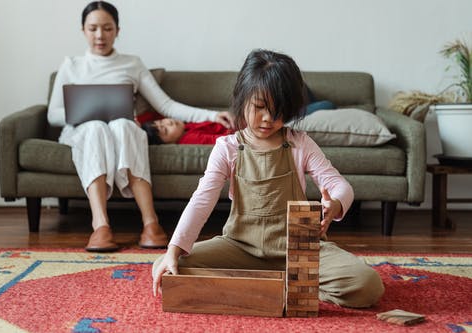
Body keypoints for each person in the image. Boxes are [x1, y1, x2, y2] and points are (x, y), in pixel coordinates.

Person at [152, 49, 385, 308]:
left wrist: (337, 204)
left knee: (367, 285)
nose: (268, 119)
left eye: (279, 111)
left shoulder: (300, 143)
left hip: (299, 249)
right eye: (260, 107)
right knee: (165, 266)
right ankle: (288, 285)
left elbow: (339, 185)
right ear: (243, 98)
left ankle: (268, 285)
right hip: (239, 247)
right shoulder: (227, 147)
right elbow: (201, 200)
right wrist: (174, 250)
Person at [47, 1, 235, 252]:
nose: (100, 35)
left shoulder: (132, 63)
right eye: (93, 29)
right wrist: (87, 115)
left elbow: (166, 105)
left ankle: (150, 223)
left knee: (125, 125)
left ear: (117, 30)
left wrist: (212, 116)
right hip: (83, 131)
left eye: (107, 28)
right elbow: (53, 114)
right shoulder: (71, 65)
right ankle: (100, 225)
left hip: (120, 130)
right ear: (83, 30)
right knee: (96, 128)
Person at [139, 117, 234, 145]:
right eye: (165, 130)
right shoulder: (189, 139)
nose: (169, 123)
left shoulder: (185, 127)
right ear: (169, 143)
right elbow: (218, 140)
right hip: (236, 133)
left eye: (161, 121)